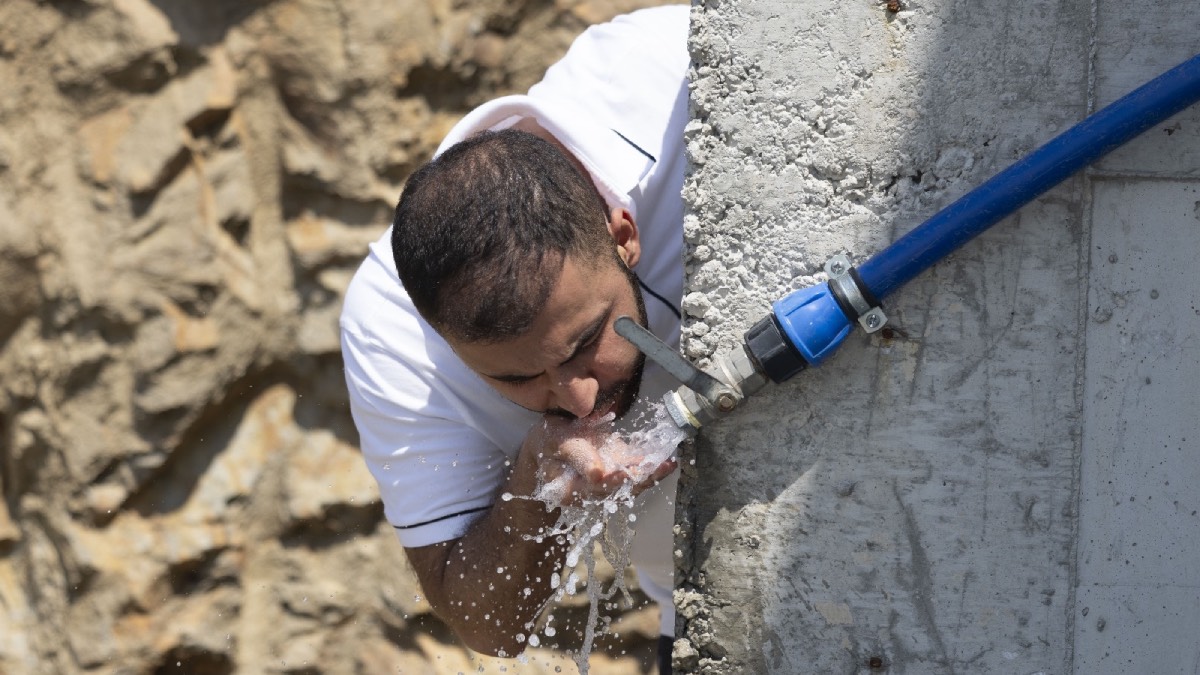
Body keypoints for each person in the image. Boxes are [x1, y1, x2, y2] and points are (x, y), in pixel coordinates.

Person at [339, 5, 690, 671]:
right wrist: (536, 485)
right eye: (515, 380)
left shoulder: (674, 74)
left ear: (623, 234)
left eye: (587, 340)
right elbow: (487, 622)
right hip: (709, 609)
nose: (580, 397)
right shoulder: (392, 329)